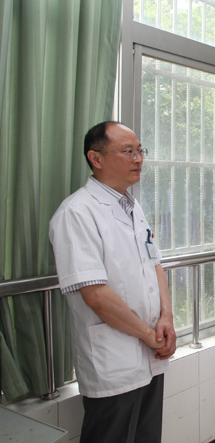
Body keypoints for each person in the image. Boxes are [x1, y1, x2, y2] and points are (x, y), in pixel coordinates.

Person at [48, 122, 177, 443]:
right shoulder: (76, 213)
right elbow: (95, 294)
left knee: (147, 436)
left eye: (140, 150)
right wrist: (148, 335)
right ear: (96, 158)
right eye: (128, 151)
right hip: (114, 358)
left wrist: (167, 318)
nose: (138, 159)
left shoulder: (132, 206)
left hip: (151, 351)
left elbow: (154, 263)